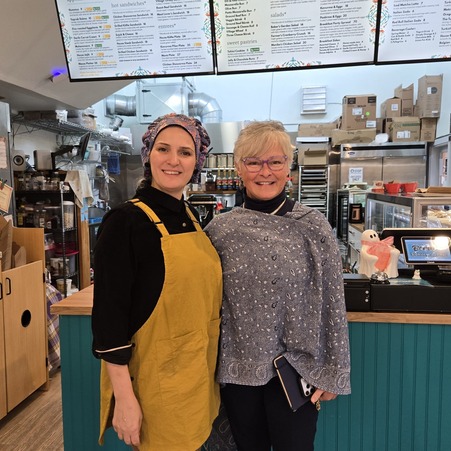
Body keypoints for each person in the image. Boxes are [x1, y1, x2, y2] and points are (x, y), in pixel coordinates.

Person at [204, 120, 351, 451]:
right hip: (237, 371)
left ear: (289, 168)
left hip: (298, 370)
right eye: (253, 162)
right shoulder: (220, 231)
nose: (264, 171)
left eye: (275, 161)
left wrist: (333, 371)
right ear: (239, 169)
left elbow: (333, 303)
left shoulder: (313, 227)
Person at [91, 113, 223, 451]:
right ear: (148, 154)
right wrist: (125, 400)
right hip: (155, 387)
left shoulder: (190, 217)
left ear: (198, 161)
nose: (173, 160)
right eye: (163, 148)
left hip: (197, 379)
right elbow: (110, 321)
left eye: (185, 152)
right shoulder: (126, 222)